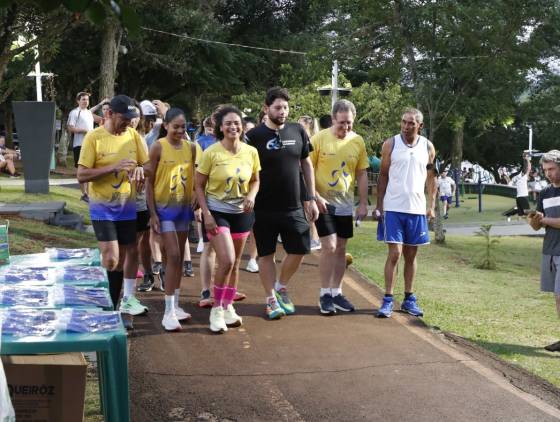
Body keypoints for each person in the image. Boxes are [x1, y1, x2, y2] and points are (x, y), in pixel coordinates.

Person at [246, 87, 319, 319]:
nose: (283, 111)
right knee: (266, 254)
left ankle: (281, 286)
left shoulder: (298, 130)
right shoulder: (253, 136)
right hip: (263, 208)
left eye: (286, 107)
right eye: (278, 107)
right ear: (266, 109)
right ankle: (270, 300)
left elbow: (306, 164)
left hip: (293, 205)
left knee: (300, 248)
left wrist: (311, 197)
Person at [77, 95, 149, 322]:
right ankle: (105, 304)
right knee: (110, 259)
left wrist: (140, 170)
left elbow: (147, 165)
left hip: (127, 207)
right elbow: (81, 174)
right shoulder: (94, 138)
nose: (128, 124)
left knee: (121, 259)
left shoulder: (134, 136)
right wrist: (113, 167)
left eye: (131, 120)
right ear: (109, 114)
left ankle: (113, 306)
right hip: (102, 208)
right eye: (124, 119)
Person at [195, 105, 260, 333]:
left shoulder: (251, 151)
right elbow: (199, 186)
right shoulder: (211, 152)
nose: (233, 126)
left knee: (235, 266)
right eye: (228, 123)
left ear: (241, 126)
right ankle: (216, 310)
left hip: (242, 214)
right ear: (220, 128)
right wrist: (207, 214)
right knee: (227, 260)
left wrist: (252, 195)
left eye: (237, 123)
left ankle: (229, 305)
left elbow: (255, 179)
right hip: (217, 213)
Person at [375, 107, 437, 318]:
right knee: (395, 253)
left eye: (411, 123)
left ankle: (409, 299)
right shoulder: (390, 144)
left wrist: (431, 204)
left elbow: (431, 177)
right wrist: (379, 205)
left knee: (411, 255)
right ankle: (388, 299)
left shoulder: (428, 146)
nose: (406, 126)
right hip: (393, 207)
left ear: (420, 125)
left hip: (417, 208)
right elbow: (382, 176)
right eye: (404, 121)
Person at [311, 100, 368, 315]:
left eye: (350, 123)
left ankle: (337, 292)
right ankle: (324, 293)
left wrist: (363, 203)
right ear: (333, 119)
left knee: (342, 249)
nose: (346, 127)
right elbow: (306, 169)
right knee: (330, 247)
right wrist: (314, 197)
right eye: (342, 123)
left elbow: (362, 173)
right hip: (323, 203)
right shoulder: (319, 139)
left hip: (345, 205)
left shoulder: (358, 141)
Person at [146, 108, 195, 331]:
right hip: (164, 210)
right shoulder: (158, 147)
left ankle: (175, 304)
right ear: (165, 125)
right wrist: (153, 213)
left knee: (174, 258)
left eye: (183, 127)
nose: (180, 130)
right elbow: (149, 182)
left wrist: (195, 196)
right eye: (175, 126)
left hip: (183, 210)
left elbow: (196, 176)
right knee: (174, 255)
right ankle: (167, 312)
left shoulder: (191, 148)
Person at [527, 150, 560, 352]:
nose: (548, 173)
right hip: (549, 250)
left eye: (552, 169)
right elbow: (536, 227)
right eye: (545, 170)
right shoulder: (545, 193)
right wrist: (533, 218)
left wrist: (544, 220)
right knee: (556, 297)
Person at [68, 92, 106, 202]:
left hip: (91, 146)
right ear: (78, 101)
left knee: (90, 169)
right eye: (83, 99)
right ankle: (84, 194)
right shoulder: (75, 113)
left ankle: (89, 194)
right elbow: (70, 128)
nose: (86, 101)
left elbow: (97, 115)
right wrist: (84, 131)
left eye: (87, 100)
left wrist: (102, 104)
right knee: (82, 171)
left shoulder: (88, 113)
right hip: (79, 145)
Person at [298, 115, 322, 252]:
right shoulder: (303, 138)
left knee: (308, 207)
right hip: (301, 177)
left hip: (307, 178)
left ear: (308, 126)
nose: (298, 127)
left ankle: (315, 238)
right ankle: (310, 236)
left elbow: (308, 164)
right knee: (304, 207)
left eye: (301, 124)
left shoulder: (310, 140)